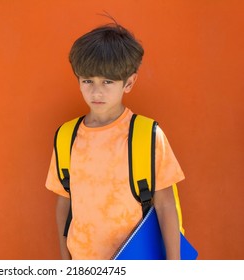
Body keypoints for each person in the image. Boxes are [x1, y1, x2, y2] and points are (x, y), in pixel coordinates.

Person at [45, 20, 185, 260]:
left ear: (128, 83)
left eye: (107, 82)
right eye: (88, 80)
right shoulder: (66, 137)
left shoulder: (147, 135)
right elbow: (64, 201)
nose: (96, 91)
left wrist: (174, 268)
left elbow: (165, 205)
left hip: (137, 260)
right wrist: (64, 259)